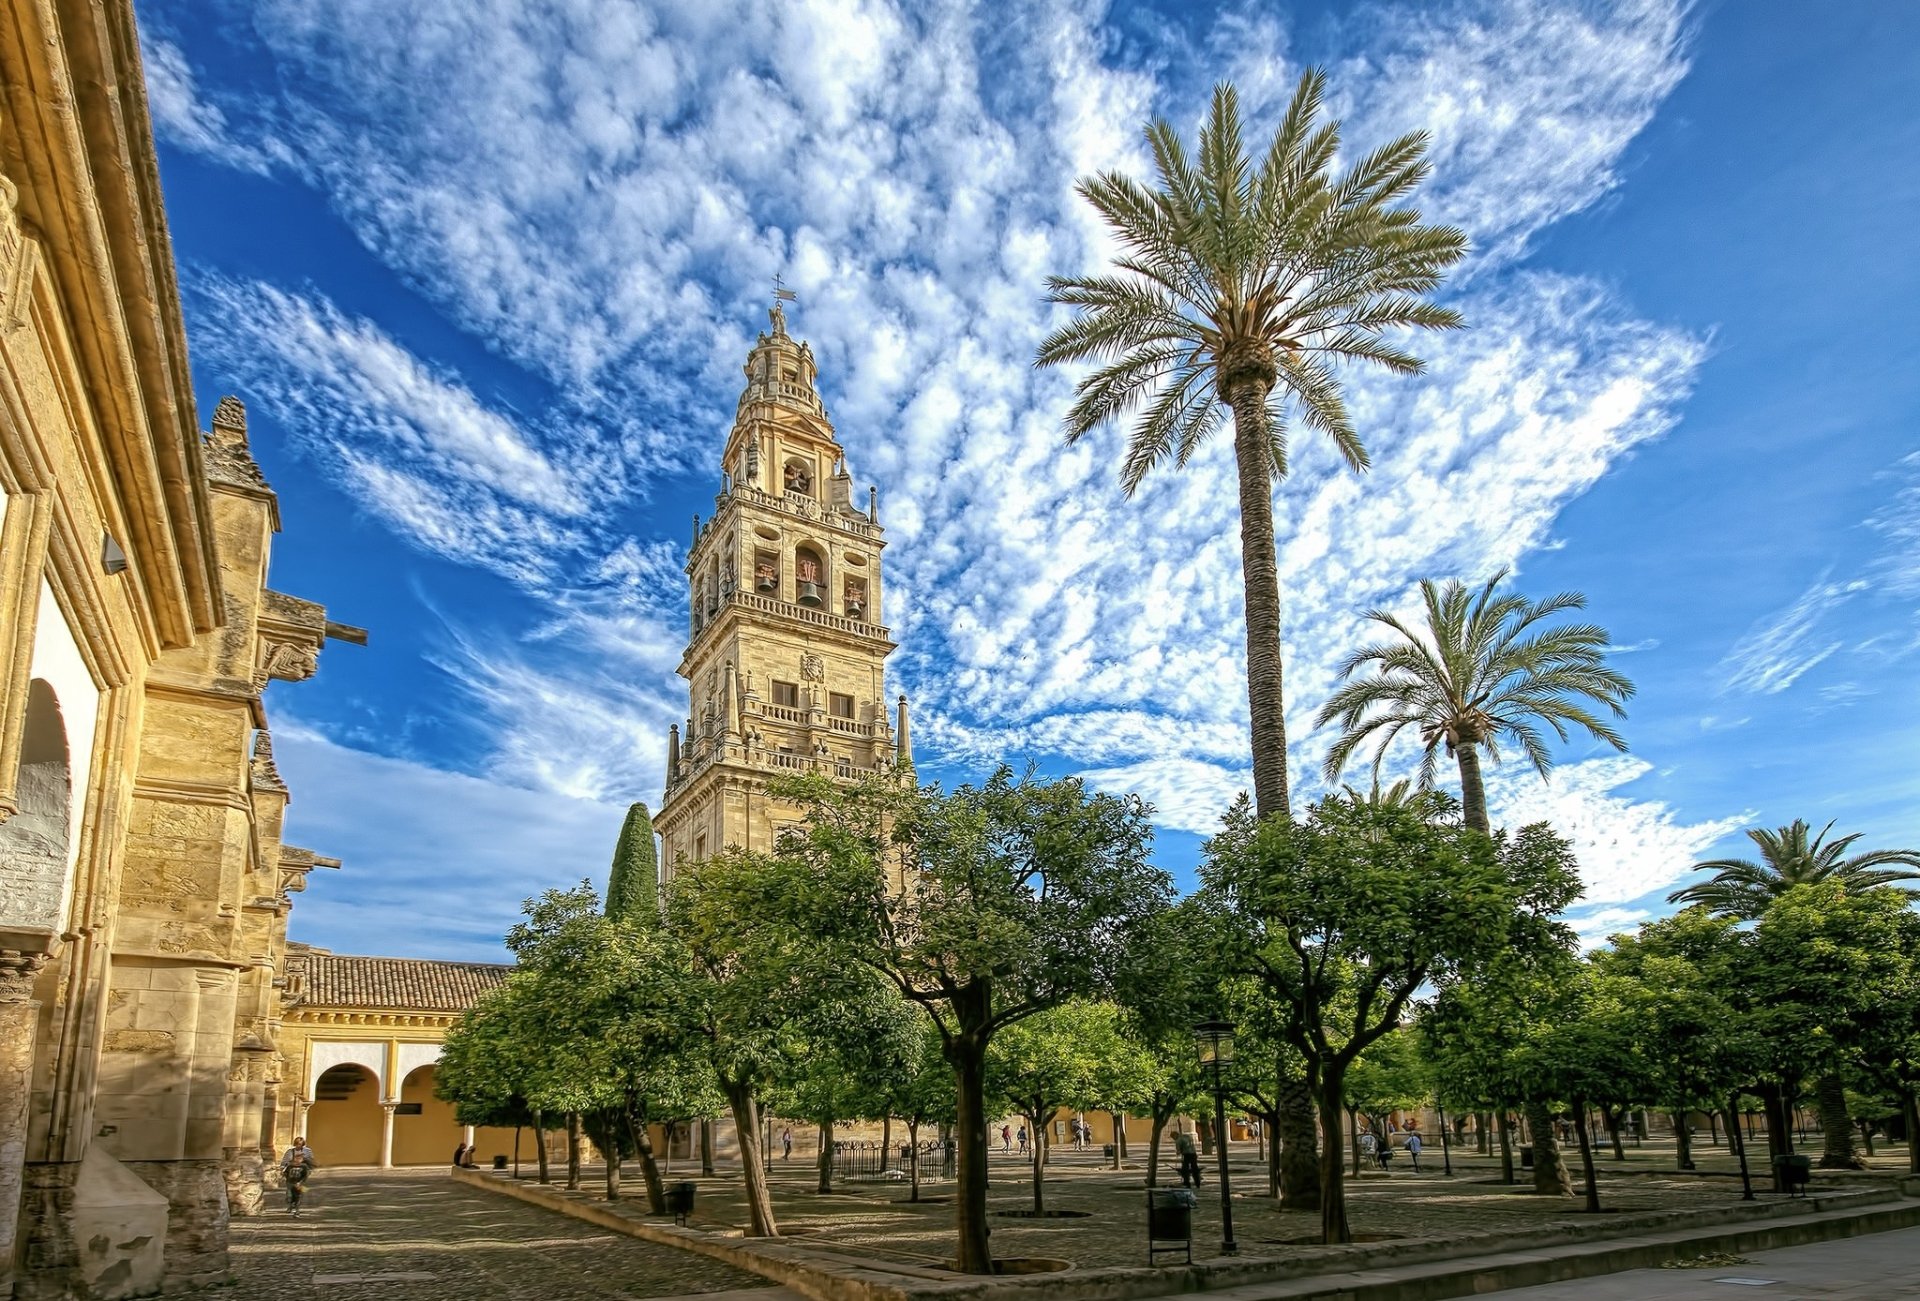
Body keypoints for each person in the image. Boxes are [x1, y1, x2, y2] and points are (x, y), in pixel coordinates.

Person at [280, 1137, 316, 1215]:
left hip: (300, 1175)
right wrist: (283, 1171)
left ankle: (297, 1207)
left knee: (298, 1193)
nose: (298, 1146)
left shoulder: (307, 1151)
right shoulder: (290, 1152)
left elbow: (311, 1161)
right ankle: (290, 1205)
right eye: (297, 1144)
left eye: (300, 1144)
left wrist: (308, 1171)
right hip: (290, 1177)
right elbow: (284, 1162)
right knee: (289, 1193)